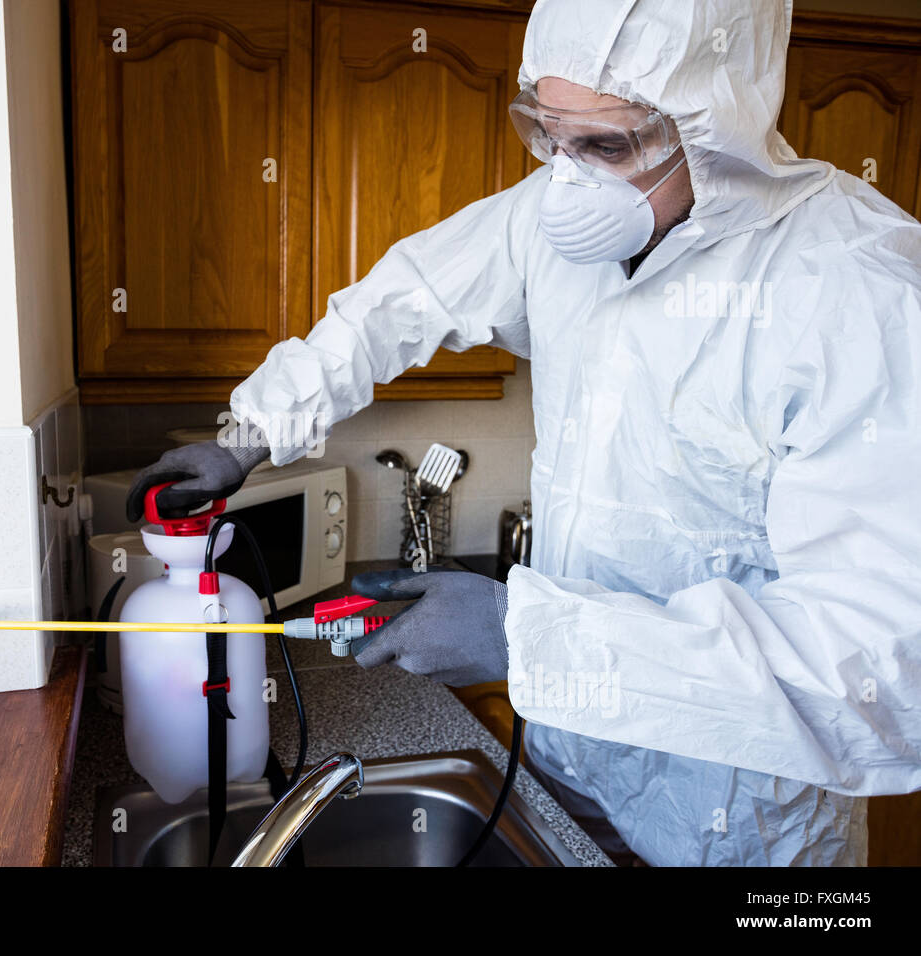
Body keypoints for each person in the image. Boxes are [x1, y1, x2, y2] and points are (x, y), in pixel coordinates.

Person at [126, 0, 921, 866]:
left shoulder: (860, 291)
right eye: (550, 135)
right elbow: (408, 296)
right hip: (568, 761)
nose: (569, 179)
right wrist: (251, 431)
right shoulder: (556, 222)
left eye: (607, 146)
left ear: (715, 123)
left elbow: (877, 667)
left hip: (735, 824)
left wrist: (521, 633)